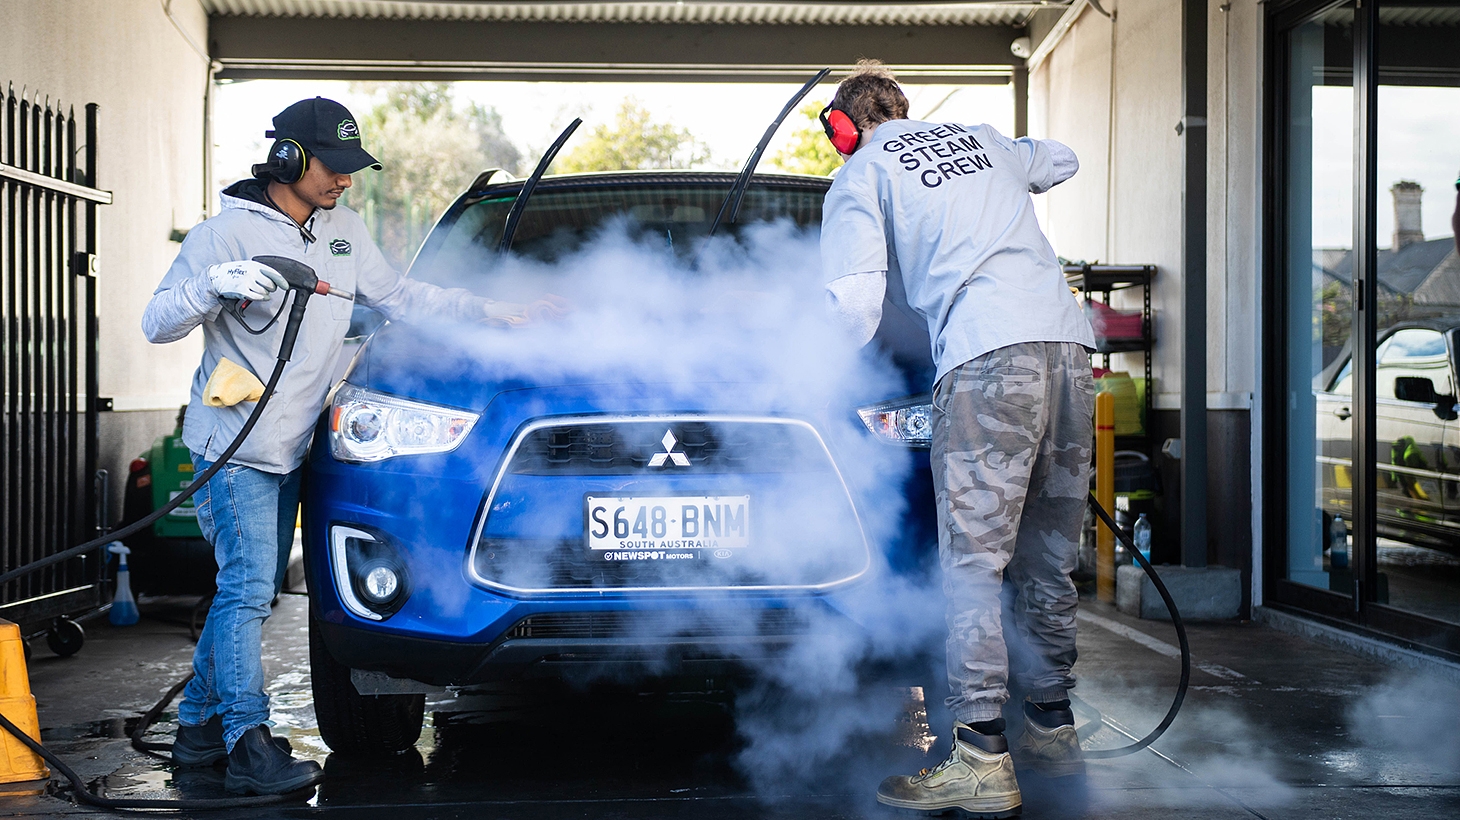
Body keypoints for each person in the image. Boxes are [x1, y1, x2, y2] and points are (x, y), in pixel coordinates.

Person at [142, 97, 560, 795]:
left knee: (244, 590)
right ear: (288, 160)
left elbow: (404, 298)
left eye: (351, 167)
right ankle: (246, 741)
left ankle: (195, 731)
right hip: (235, 446)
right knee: (248, 590)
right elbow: (156, 322)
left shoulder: (344, 230)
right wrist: (210, 286)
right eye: (333, 166)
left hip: (294, 446)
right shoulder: (224, 235)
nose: (345, 179)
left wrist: (494, 311)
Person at [818, 62, 1095, 816]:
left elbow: (855, 308)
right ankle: (1052, 729)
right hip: (1069, 352)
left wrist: (799, 366)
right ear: (905, 108)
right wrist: (999, 163)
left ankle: (979, 757)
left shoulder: (862, 173)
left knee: (973, 565)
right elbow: (1063, 158)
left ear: (841, 129)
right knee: (1047, 558)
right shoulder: (983, 139)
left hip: (986, 360)